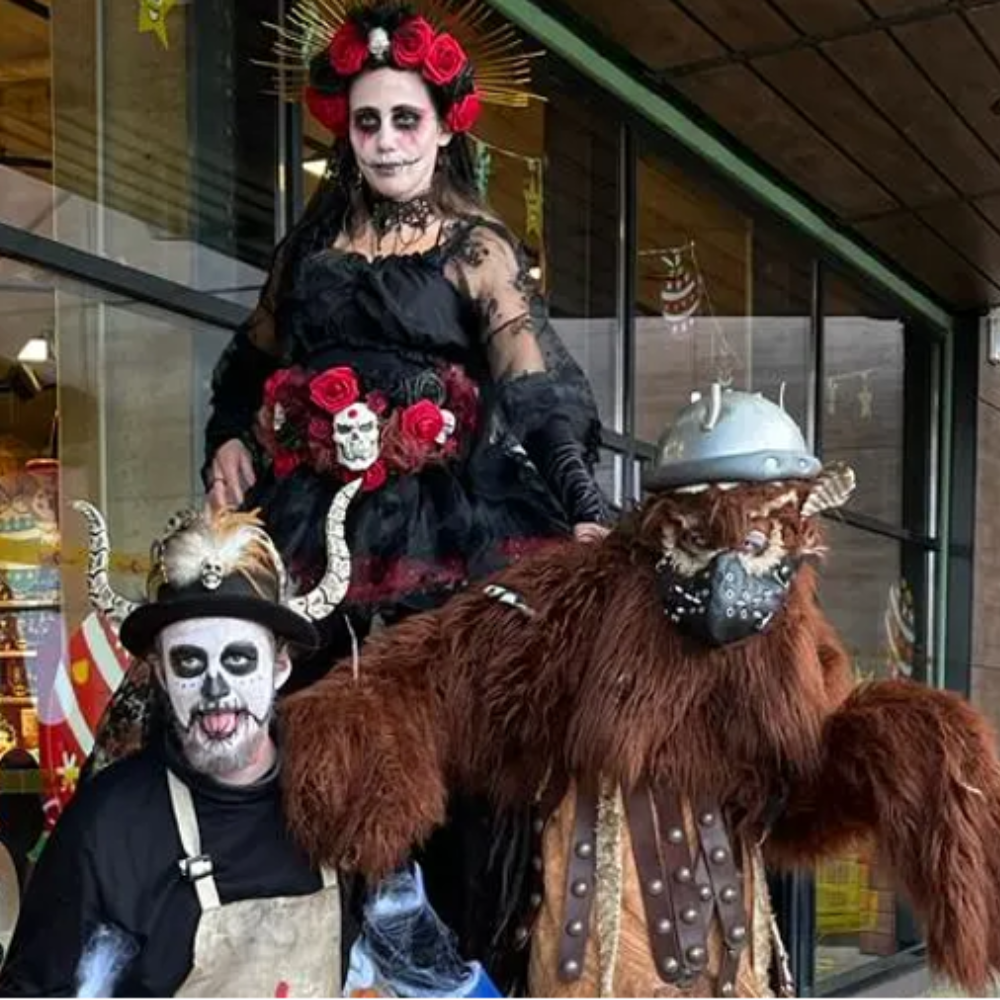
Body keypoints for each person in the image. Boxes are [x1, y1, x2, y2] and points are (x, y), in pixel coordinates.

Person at [278, 384, 1000, 997]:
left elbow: (796, 793)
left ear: (791, 532)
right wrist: (361, 737)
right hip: (588, 926)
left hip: (732, 939)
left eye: (753, 547)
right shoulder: (578, 600)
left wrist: (911, 751)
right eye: (697, 542)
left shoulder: (794, 638)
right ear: (662, 528)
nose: (727, 581)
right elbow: (432, 671)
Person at [203, 0, 609, 681]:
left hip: (443, 527)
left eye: (406, 118)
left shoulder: (477, 250)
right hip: (305, 517)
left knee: (439, 710)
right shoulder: (308, 249)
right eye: (369, 121)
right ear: (347, 132)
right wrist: (227, 434)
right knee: (276, 696)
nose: (387, 140)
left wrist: (585, 509)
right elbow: (250, 361)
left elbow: (532, 392)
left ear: (445, 127)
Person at [0, 486, 363, 996]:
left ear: (279, 666)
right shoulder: (107, 827)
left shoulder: (343, 801)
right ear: (162, 677)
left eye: (238, 659)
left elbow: (397, 965)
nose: (215, 689)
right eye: (189, 662)